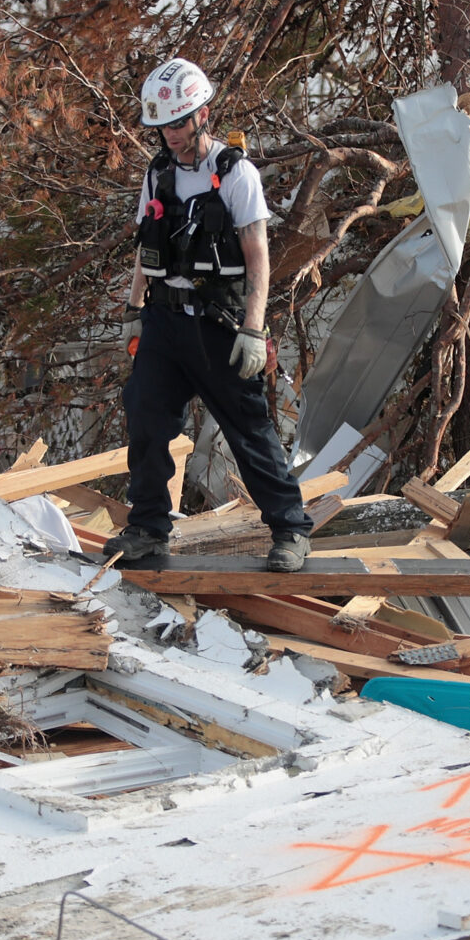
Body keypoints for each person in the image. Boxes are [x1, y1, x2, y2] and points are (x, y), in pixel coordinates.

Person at [103, 57, 314, 572]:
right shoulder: (158, 175)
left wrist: (253, 328)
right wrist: (134, 311)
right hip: (163, 322)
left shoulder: (235, 174)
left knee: (248, 427)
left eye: (177, 124)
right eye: (162, 127)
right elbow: (144, 250)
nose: (170, 136)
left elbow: (259, 257)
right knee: (147, 416)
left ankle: (290, 529)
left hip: (218, 325)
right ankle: (149, 529)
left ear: (202, 114)